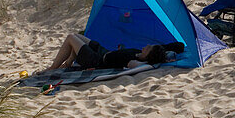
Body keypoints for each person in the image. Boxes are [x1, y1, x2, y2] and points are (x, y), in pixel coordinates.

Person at [40, 34, 184, 73]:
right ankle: (68, 63)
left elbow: (139, 67)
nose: (146, 46)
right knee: (79, 36)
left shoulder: (135, 61)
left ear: (148, 55)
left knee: (71, 38)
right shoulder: (138, 53)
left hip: (95, 60)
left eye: (148, 48)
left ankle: (53, 68)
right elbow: (176, 46)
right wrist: (166, 58)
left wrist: (158, 64)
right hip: (103, 51)